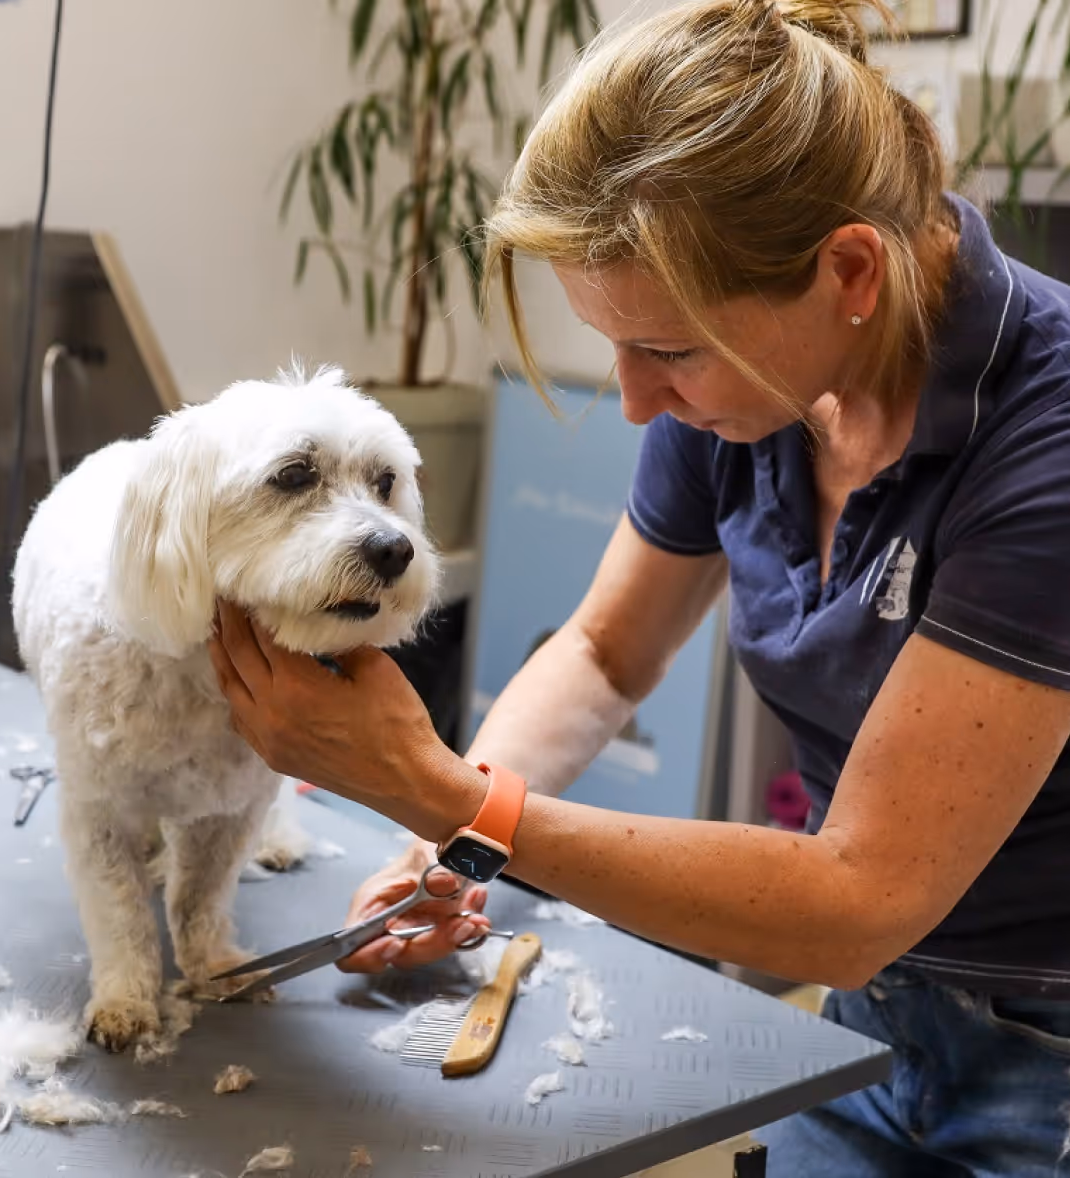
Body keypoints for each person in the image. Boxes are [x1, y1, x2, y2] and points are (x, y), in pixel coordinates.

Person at [208, 0, 1070, 1172]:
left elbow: (860, 897)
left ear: (849, 270)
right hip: (871, 1017)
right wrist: (452, 852)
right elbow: (607, 651)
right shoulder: (758, 380)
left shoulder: (1044, 444)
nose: (632, 401)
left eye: (665, 351)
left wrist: (446, 795)